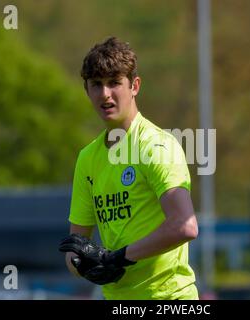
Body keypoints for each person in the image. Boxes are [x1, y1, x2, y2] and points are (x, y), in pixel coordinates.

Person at [62, 36, 199, 300]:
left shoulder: (156, 146)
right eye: (96, 85)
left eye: (114, 83)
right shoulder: (87, 158)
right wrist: (85, 266)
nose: (105, 94)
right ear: (86, 90)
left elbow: (185, 225)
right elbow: (75, 249)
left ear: (134, 86)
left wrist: (119, 258)